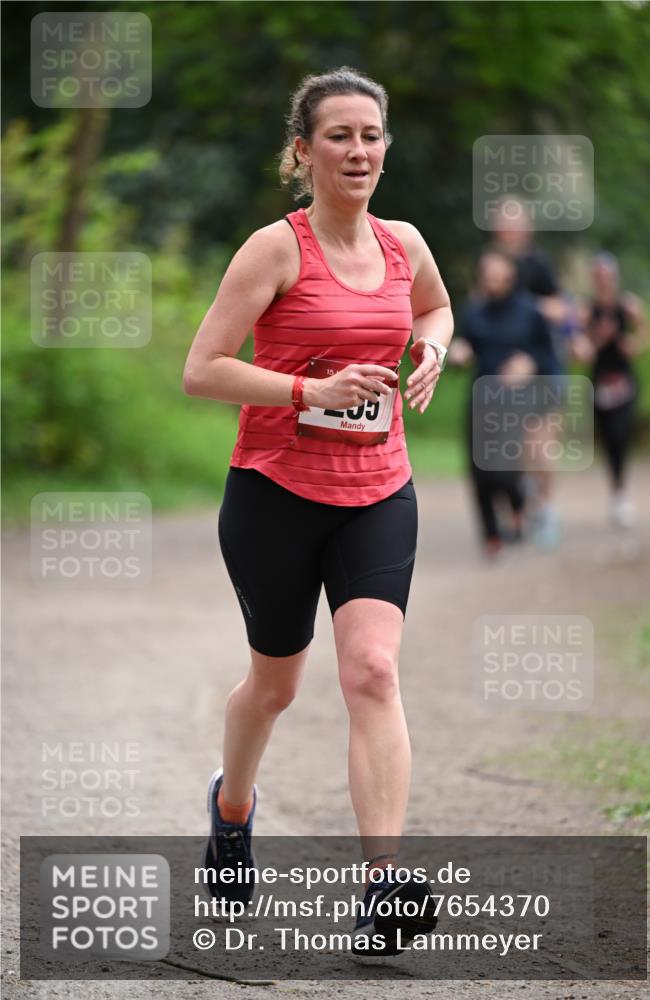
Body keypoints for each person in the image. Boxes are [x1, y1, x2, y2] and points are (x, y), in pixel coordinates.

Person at [183, 66, 453, 955]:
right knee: (276, 685)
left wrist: (430, 348)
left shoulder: (404, 243)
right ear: (303, 152)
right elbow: (204, 368)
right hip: (273, 494)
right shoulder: (273, 249)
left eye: (371, 135)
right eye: (338, 135)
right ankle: (231, 809)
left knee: (373, 671)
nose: (359, 150)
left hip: (378, 490)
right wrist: (311, 389)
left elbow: (437, 307)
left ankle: (381, 886)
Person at [449, 248, 560, 559]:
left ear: (510, 276)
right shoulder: (473, 311)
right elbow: (465, 344)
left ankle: (519, 505)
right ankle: (491, 535)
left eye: (497, 275)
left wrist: (529, 364)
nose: (491, 281)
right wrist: (459, 352)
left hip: (516, 402)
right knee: (478, 470)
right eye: (486, 275)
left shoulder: (530, 312)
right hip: (481, 399)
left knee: (505, 470)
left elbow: (549, 358)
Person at [488, 196, 569, 549]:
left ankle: (547, 510)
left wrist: (529, 306)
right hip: (505, 371)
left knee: (542, 443)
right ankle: (524, 506)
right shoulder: (491, 265)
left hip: (543, 366)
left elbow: (561, 309)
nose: (510, 229)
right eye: (503, 222)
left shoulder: (538, 265)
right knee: (515, 448)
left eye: (515, 222)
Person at [579, 253, 650, 527]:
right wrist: (600, 338)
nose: (604, 282)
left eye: (607, 276)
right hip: (599, 382)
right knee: (609, 438)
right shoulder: (587, 310)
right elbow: (581, 350)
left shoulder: (628, 306)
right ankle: (617, 489)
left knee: (622, 434)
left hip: (624, 381)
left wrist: (633, 344)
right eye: (599, 277)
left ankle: (621, 493)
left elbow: (645, 334)